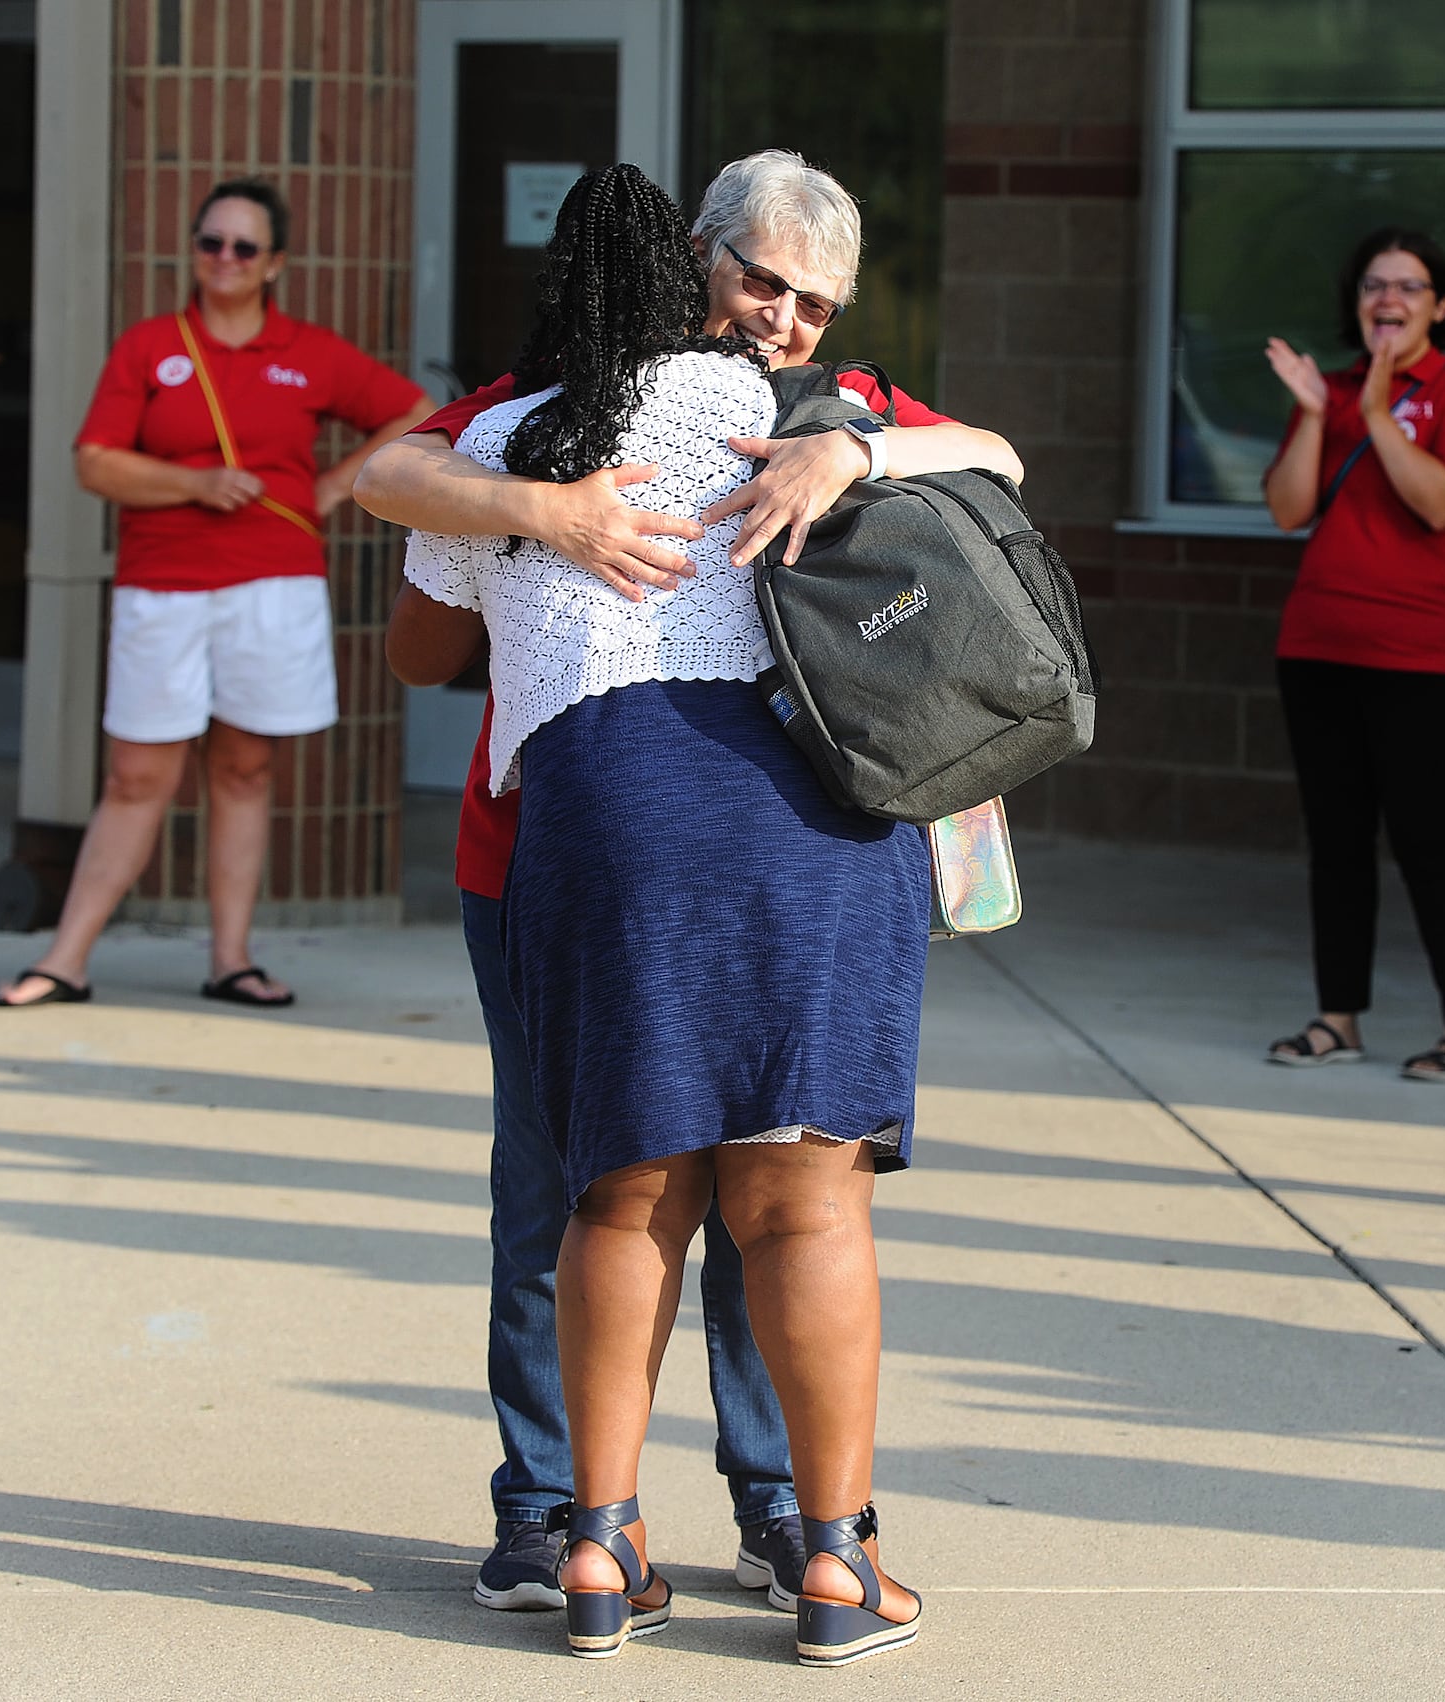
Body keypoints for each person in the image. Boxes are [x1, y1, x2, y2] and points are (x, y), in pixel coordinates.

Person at [357, 149, 1022, 1616]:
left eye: (813, 301)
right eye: (761, 282)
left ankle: (659, 1518)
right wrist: (550, 519)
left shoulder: (819, 410)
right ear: (694, 263)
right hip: (728, 852)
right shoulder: (569, 406)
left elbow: (985, 451)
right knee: (742, 1192)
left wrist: (853, 452)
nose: (784, 319)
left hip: (594, 840)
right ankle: (661, 1518)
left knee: (618, 1191)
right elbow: (394, 466)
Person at [0, 178, 431, 1010]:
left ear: (274, 263)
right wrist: (195, 482)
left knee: (245, 768)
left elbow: (414, 411)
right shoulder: (150, 345)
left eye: (242, 247)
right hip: (163, 585)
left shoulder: (307, 350)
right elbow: (96, 462)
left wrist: (336, 487)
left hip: (274, 579)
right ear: (193, 252)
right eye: (210, 243)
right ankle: (66, 959)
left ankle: (230, 958)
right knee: (135, 775)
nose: (223, 259)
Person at [1262, 226, 1445, 1083]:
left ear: (1440, 305)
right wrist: (1312, 412)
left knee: (1427, 837)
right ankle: (1339, 1019)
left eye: (1408, 286)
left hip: (1427, 654)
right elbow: (1290, 510)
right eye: (1374, 284)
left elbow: (1444, 504)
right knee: (1336, 840)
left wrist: (1374, 413)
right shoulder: (1323, 391)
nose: (1389, 299)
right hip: (1320, 644)